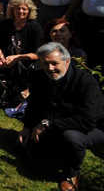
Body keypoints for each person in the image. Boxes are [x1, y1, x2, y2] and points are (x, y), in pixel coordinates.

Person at [18, 42, 104, 191]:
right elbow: (34, 104)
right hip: (57, 121)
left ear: (67, 61)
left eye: (54, 63)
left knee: (72, 138)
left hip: (91, 127)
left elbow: (88, 119)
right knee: (33, 156)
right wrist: (27, 126)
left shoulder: (87, 82)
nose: (50, 68)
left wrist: (48, 124)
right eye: (45, 63)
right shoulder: (40, 76)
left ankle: (72, 173)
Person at [0, 0, 43, 108]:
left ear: (29, 11)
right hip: (7, 62)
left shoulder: (35, 27)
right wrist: (0, 58)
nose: (20, 11)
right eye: (17, 8)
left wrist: (17, 57)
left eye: (24, 9)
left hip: (26, 64)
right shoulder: (5, 25)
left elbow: (38, 55)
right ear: (12, 10)